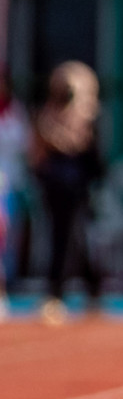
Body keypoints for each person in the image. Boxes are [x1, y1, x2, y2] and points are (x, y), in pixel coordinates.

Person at [33, 62, 104, 325]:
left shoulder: (86, 118)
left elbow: (87, 150)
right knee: (60, 237)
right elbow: (39, 151)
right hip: (54, 186)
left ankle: (86, 286)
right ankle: (57, 291)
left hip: (78, 187)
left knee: (77, 237)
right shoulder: (47, 115)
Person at [0, 67, 30, 321]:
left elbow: (25, 145)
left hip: (8, 185)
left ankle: (6, 286)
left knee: (6, 239)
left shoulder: (15, 112)